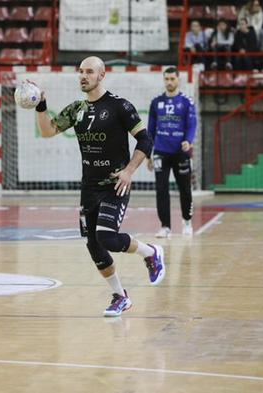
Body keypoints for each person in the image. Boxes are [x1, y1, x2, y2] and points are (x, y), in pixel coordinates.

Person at [30, 56, 165, 317]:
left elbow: (145, 140)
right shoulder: (77, 109)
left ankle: (151, 253)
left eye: (89, 71)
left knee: (108, 237)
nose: (83, 75)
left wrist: (128, 171)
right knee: (94, 245)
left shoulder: (120, 106)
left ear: (102, 75)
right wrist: (41, 106)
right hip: (89, 187)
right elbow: (48, 131)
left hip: (115, 184)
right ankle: (120, 296)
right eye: (80, 71)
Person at [147, 67, 197, 239]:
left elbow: (192, 124)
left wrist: (188, 141)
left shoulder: (186, 101)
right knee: (161, 190)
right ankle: (165, 226)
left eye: (172, 79)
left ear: (178, 80)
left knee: (185, 189)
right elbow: (151, 130)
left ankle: (187, 221)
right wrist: (148, 154)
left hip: (180, 152)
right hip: (161, 151)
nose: (169, 82)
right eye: (166, 79)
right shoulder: (156, 102)